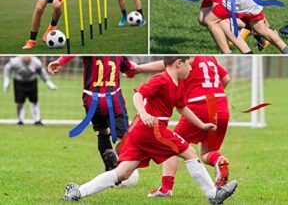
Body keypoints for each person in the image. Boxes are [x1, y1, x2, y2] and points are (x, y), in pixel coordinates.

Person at [64, 56, 237, 204]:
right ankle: (213, 194)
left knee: (122, 173)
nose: (191, 67)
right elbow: (138, 95)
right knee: (189, 152)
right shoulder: (161, 79)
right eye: (189, 64)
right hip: (152, 129)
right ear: (178, 63)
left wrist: (201, 125)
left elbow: (182, 108)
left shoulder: (178, 84)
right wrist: (143, 112)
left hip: (142, 132)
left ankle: (78, 192)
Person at [149, 56, 231, 197]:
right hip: (221, 107)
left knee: (171, 145)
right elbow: (226, 79)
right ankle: (219, 161)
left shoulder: (189, 57)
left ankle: (166, 188)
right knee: (206, 153)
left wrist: (138, 68)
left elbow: (168, 63)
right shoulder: (210, 57)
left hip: (200, 106)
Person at [3, 56, 57, 125]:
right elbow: (7, 69)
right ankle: (20, 120)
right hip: (19, 82)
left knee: (34, 101)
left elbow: (41, 72)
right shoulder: (15, 62)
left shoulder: (36, 62)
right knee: (20, 102)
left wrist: (48, 82)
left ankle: (37, 120)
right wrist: (6, 81)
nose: (26, 57)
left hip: (32, 82)